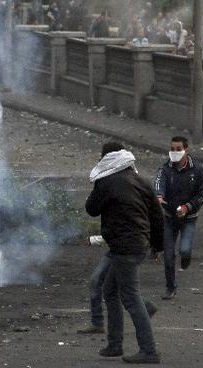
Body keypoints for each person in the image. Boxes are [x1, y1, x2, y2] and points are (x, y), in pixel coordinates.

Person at [86, 142, 163, 364]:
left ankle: (149, 351)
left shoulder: (106, 182)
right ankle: (115, 344)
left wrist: (99, 186)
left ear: (106, 160)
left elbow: (91, 209)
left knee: (130, 297)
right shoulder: (142, 181)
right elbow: (157, 215)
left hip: (123, 247)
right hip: (139, 244)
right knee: (110, 291)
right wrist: (157, 246)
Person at [154, 136, 203, 300]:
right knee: (168, 255)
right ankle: (170, 288)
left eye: (178, 149)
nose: (174, 152)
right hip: (170, 217)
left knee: (184, 249)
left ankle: (186, 257)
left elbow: (202, 194)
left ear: (186, 150)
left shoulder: (197, 169)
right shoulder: (165, 169)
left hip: (189, 217)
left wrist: (187, 208)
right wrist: (159, 197)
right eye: (172, 149)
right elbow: (158, 185)